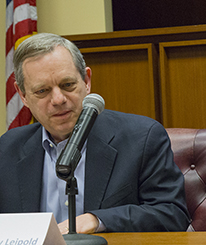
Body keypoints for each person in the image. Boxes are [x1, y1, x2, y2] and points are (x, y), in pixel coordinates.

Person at [0, 33, 190, 234]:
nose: (58, 99)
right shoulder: (7, 148)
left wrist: (97, 220)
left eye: (67, 85)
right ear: (23, 96)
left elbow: (172, 214)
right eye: (42, 91)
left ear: (86, 80)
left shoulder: (142, 137)